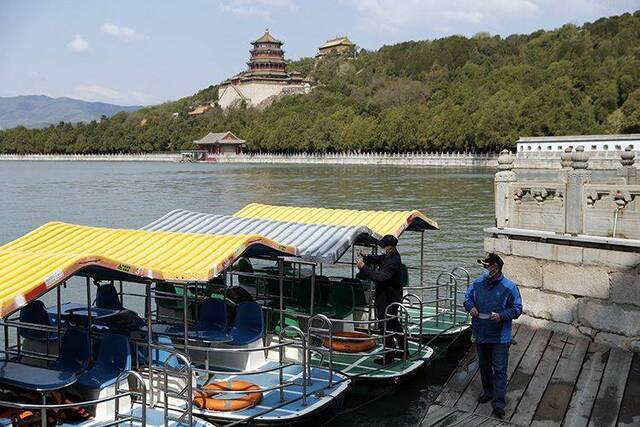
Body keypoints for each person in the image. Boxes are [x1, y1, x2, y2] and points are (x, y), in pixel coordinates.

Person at [464, 253, 523, 419]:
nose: (484, 269)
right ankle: (488, 392)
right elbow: (467, 298)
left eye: (486, 266)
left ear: (496, 267)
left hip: (500, 337)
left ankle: (498, 403)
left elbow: (517, 309)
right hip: (481, 332)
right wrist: (470, 307)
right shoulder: (477, 283)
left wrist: (502, 315)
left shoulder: (510, 287)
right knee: (483, 365)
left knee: (499, 369)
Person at [356, 234, 406, 365]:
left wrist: (363, 268)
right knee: (393, 322)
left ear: (389, 246)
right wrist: (367, 256)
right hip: (389, 296)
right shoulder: (391, 255)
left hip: (388, 298)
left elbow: (380, 277)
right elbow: (380, 259)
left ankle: (389, 355)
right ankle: (403, 349)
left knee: (385, 324)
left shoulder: (394, 260)